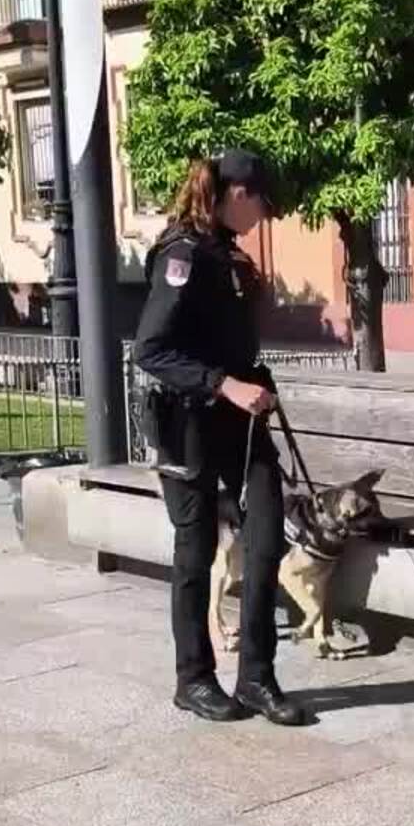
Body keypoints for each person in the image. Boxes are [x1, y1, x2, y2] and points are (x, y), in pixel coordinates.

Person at [134, 148, 305, 727]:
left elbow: (230, 344)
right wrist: (224, 384)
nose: (263, 215)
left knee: (266, 538)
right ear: (237, 195)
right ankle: (194, 679)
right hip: (187, 424)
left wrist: (253, 382)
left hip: (240, 420)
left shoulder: (226, 256)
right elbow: (152, 350)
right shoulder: (181, 255)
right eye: (260, 203)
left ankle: (257, 677)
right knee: (197, 551)